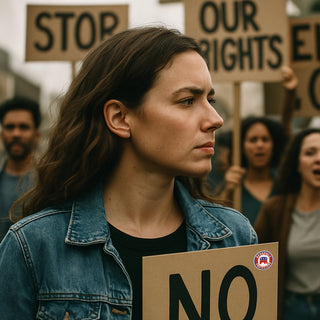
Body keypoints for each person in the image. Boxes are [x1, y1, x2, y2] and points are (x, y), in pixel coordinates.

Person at [0, 26, 257, 319]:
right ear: (120, 118)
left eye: (209, 100)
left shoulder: (235, 237)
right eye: (187, 100)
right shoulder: (34, 247)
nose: (216, 119)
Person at [216, 66, 298, 225]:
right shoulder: (235, 185)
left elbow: (286, 126)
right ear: (242, 147)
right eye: (253, 140)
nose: (259, 145)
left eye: (265, 139)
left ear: (274, 145)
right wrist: (228, 190)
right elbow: (217, 221)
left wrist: (290, 93)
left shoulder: (284, 182)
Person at [254, 128, 320, 320]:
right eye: (310, 153)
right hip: (291, 310)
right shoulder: (275, 209)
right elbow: (256, 260)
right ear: (297, 164)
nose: (318, 158)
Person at [0, 96, 41, 241]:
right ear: (2, 134)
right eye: (9, 127)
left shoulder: (49, 183)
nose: (16, 134)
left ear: (37, 135)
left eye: (23, 127)